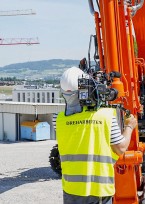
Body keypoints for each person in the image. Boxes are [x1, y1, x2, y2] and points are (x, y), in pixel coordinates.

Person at [56, 67, 137, 204]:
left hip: (71, 189)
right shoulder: (105, 116)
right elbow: (121, 148)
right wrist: (129, 126)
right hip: (98, 191)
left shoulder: (60, 120)